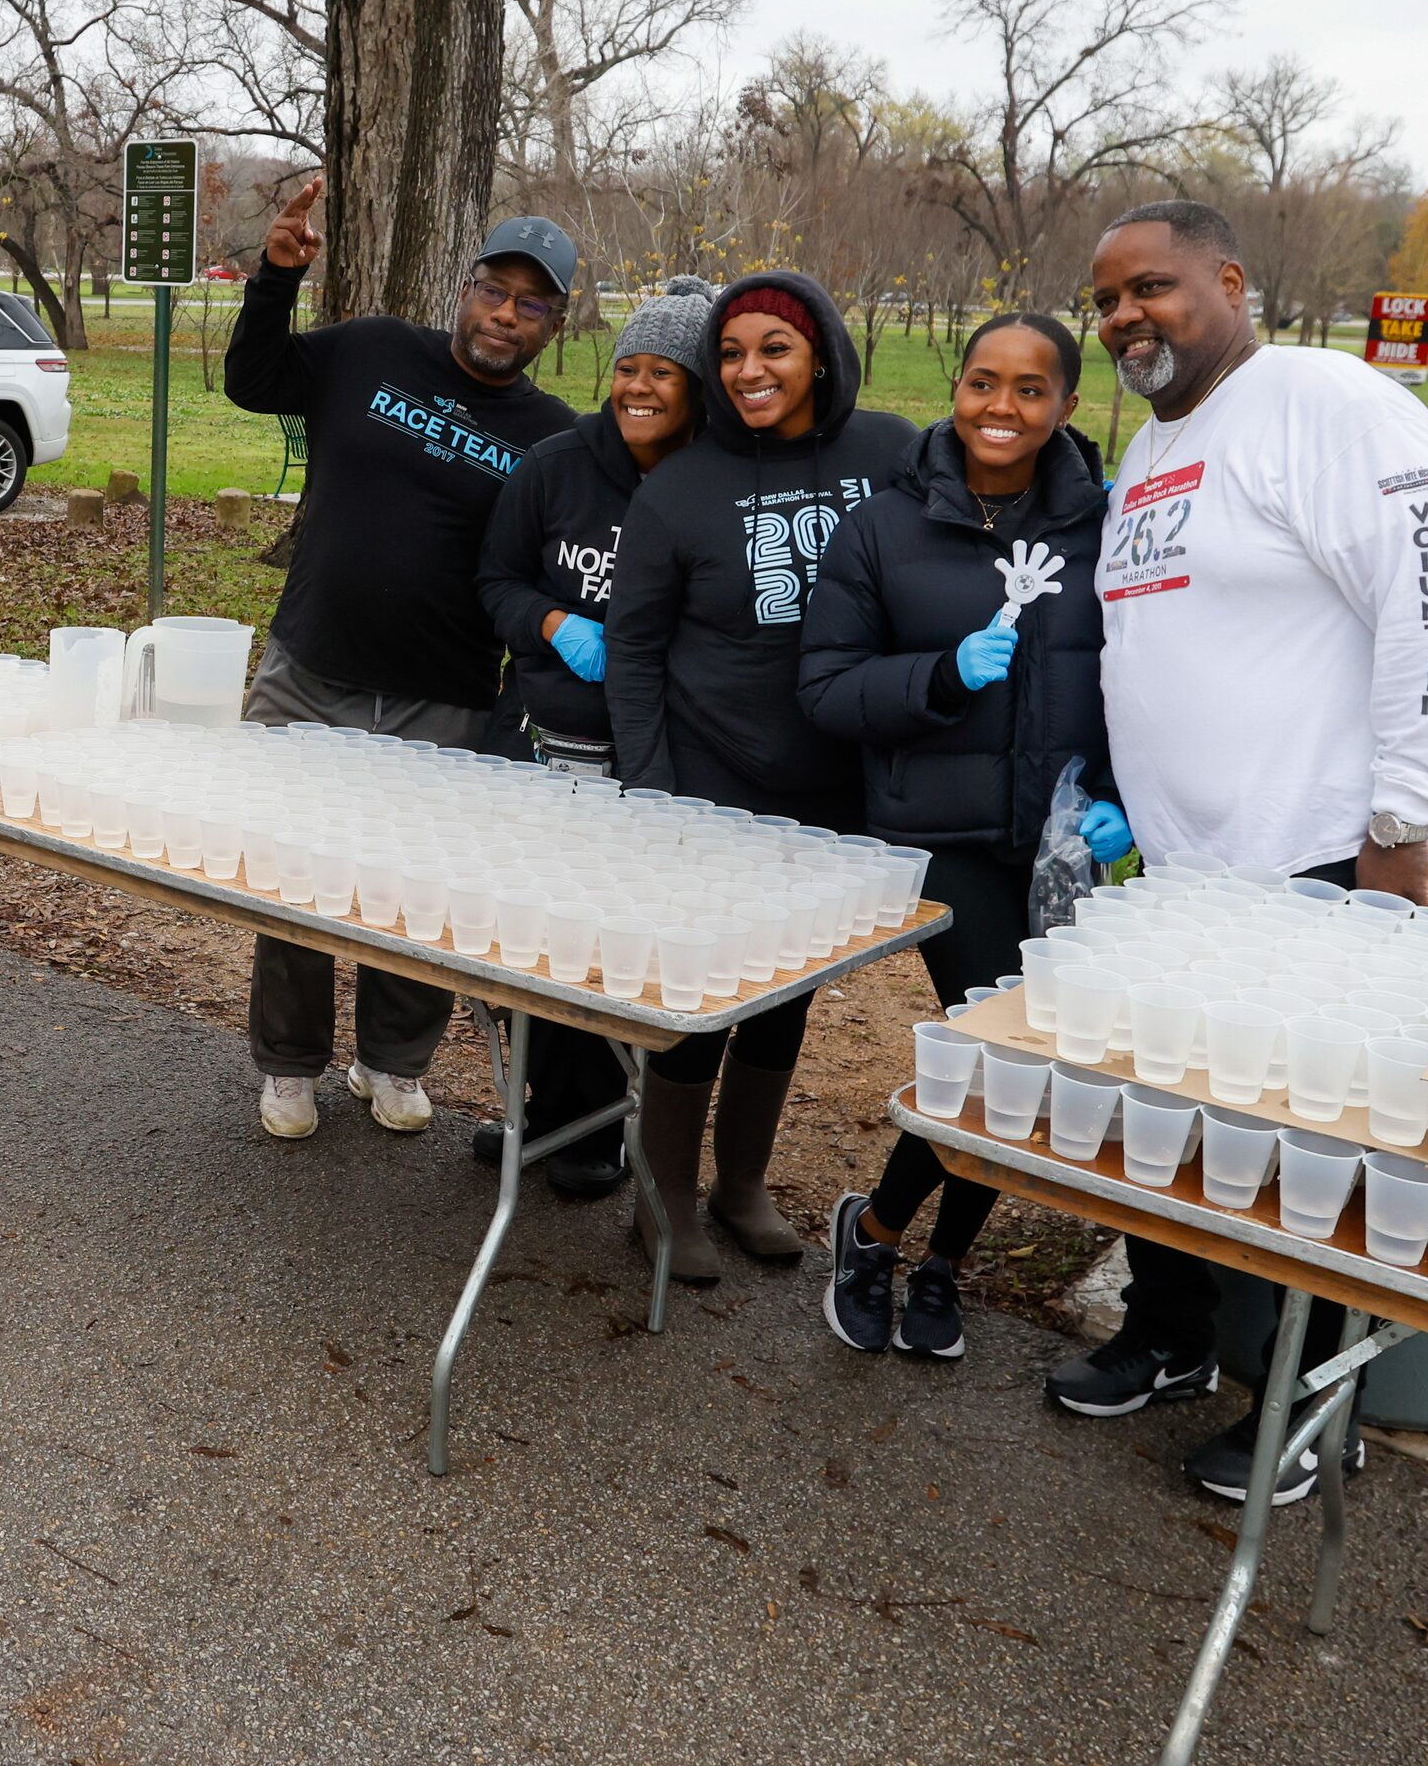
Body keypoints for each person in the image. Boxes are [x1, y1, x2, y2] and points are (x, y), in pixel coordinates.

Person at [1042, 200, 1428, 1506]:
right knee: (1171, 1118)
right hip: (1193, 879)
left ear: (1229, 281)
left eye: (1152, 286)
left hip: (1332, 861)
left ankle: (1312, 1402)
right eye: (1108, 297)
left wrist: (1402, 832)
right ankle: (1172, 1333)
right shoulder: (1154, 449)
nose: (1126, 313)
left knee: (1326, 1155)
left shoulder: (1326, 404)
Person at [799, 311, 1128, 1358]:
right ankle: (882, 1237)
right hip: (932, 830)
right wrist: (940, 677)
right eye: (982, 383)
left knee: (1021, 1062)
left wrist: (1120, 793)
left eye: (1029, 390)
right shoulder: (882, 527)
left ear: (1065, 406)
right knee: (999, 1049)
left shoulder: (1107, 528)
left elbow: (1143, 680)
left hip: (1056, 836)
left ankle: (940, 1260)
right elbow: (823, 690)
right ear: (957, 388)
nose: (1001, 407)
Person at [223, 178, 580, 1139]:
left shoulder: (554, 440)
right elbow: (254, 383)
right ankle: (291, 1065)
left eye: (531, 302)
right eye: (493, 290)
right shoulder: (373, 348)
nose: (505, 314)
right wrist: (276, 279)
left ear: (555, 321)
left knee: (416, 894)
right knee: (293, 881)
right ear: (464, 288)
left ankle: (393, 1063)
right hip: (313, 673)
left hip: (447, 696)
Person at [603, 272, 918, 1280]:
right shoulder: (678, 488)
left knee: (787, 994)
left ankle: (739, 1186)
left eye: (772, 350)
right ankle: (661, 1202)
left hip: (832, 787)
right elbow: (635, 650)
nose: (748, 372)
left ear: (818, 353)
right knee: (696, 1001)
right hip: (708, 786)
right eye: (729, 354)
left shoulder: (889, 453)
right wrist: (649, 787)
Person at [470, 274, 714, 1198]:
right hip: (534, 739)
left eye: (664, 373)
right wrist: (552, 626)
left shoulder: (708, 486)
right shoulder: (556, 465)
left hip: (644, 755)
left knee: (603, 948)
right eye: (628, 369)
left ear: (695, 390)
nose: (640, 388)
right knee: (521, 938)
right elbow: (496, 582)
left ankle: (595, 1131)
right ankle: (537, 1112)